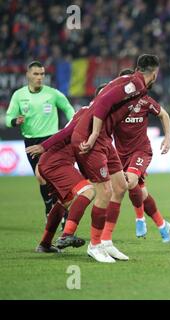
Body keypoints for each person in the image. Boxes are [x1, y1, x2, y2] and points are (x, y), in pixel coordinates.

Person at [71, 54, 160, 263]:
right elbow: (102, 102)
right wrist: (93, 135)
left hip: (105, 139)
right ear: (154, 73)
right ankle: (94, 245)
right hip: (92, 137)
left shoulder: (133, 83)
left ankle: (106, 241)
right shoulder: (134, 84)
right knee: (105, 191)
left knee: (120, 186)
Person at [5, 61, 75, 221]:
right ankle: (50, 207)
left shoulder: (52, 93)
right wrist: (15, 121)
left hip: (51, 140)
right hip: (30, 141)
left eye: (42, 74)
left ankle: (61, 213)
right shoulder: (19, 95)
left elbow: (68, 107)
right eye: (36, 74)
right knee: (41, 178)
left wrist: (72, 124)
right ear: (28, 75)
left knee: (45, 174)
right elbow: (8, 117)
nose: (39, 77)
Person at [114, 68, 170, 242]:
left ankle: (140, 219)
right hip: (121, 153)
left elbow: (164, 114)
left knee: (130, 181)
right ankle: (162, 225)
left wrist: (168, 136)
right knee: (141, 192)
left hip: (141, 150)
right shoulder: (115, 105)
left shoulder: (144, 101)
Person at [26, 106, 95, 253]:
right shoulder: (90, 112)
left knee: (64, 201)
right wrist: (44, 146)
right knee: (88, 191)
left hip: (54, 161)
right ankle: (67, 235)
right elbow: (67, 131)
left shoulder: (93, 115)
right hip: (57, 161)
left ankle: (44, 244)